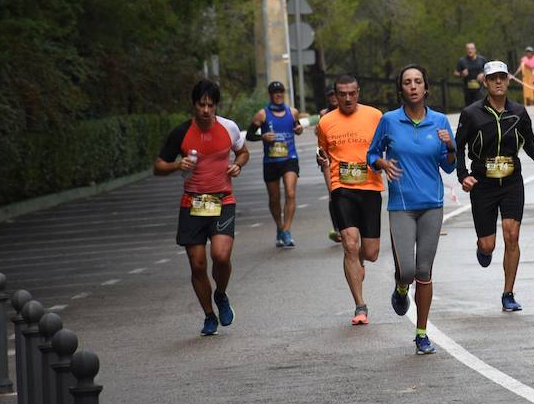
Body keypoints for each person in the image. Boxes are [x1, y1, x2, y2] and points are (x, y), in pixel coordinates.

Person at [367, 64, 456, 355]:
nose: (414, 86)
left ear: (426, 88)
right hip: (402, 206)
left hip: (432, 204)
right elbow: (371, 155)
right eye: (408, 82)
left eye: (418, 81)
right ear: (401, 89)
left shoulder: (440, 121)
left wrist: (451, 146)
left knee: (424, 271)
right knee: (406, 271)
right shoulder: (389, 121)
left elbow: (449, 165)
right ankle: (401, 287)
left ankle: (421, 333)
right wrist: (382, 164)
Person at [153, 79, 249, 336]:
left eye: (210, 105)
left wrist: (238, 164)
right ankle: (208, 315)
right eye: (201, 105)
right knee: (197, 265)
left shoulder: (229, 128)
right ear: (194, 105)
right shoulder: (181, 133)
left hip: (223, 199)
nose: (206, 110)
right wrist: (177, 165)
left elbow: (243, 152)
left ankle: (220, 294)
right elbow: (158, 166)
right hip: (193, 202)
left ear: (216, 105)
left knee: (220, 256)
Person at [455, 61, 534, 311]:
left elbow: (528, 142)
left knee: (512, 234)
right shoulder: (471, 113)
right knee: (489, 245)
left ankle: (508, 293)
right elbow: (459, 147)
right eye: (492, 78)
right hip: (483, 183)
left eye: (502, 78)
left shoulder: (518, 112)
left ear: (508, 81)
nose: (498, 82)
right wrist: (463, 175)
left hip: (511, 181)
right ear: (485, 82)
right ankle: (482, 249)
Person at [316, 75, 384, 325]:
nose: (347, 98)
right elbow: (323, 154)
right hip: (342, 188)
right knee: (349, 244)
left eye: (352, 93)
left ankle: (360, 261)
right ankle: (360, 306)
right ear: (335, 95)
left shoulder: (375, 116)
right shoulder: (325, 122)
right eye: (342, 94)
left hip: (370, 187)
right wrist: (328, 179)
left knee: (371, 252)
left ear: (359, 92)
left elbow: (386, 146)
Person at [246, 81, 303, 247]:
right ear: (270, 95)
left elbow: (297, 127)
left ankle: (287, 230)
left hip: (289, 158)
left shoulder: (292, 112)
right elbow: (249, 135)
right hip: (271, 161)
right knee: (274, 198)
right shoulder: (262, 115)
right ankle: (279, 226)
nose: (278, 94)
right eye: (274, 92)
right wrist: (262, 137)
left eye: (280, 92)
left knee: (290, 193)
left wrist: (298, 129)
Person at [320, 86, 342, 243]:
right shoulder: (324, 114)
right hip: (328, 158)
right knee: (332, 194)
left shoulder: (347, 112)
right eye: (330, 95)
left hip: (346, 157)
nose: (333, 98)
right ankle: (337, 229)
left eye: (335, 95)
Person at [453, 42, 487, 108]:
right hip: (467, 90)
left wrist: (483, 74)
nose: (470, 50)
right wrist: (461, 74)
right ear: (466, 50)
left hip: (480, 89)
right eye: (468, 49)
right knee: (469, 109)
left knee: (480, 107)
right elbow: (455, 73)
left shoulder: (482, 60)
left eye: (471, 48)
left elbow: (489, 70)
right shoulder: (462, 61)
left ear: (475, 50)